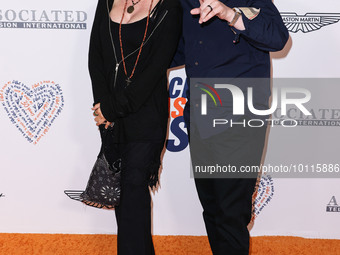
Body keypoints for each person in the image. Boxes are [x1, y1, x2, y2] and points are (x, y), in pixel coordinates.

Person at [172, 0, 289, 254]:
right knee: (212, 207)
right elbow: (179, 48)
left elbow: (278, 38)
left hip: (240, 116)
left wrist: (230, 15)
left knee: (231, 212)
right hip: (199, 114)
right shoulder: (184, 3)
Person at [88, 0, 182, 254]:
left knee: (132, 189)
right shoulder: (106, 1)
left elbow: (155, 69)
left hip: (146, 114)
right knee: (123, 194)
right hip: (110, 116)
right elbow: (95, 56)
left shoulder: (169, 7)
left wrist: (112, 108)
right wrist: (102, 106)